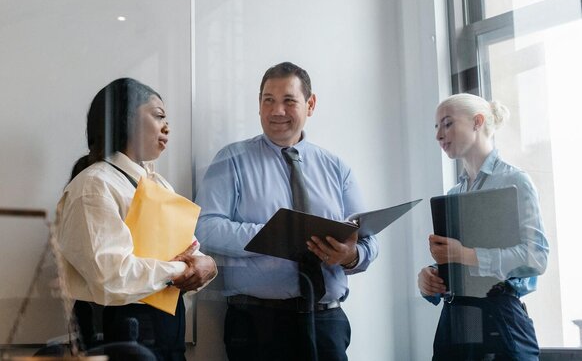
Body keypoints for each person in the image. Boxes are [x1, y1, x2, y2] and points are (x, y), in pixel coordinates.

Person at [195, 62, 378, 361]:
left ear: (311, 104)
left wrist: (351, 256)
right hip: (257, 323)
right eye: (268, 100)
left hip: (327, 323)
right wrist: (276, 234)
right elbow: (205, 228)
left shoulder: (336, 168)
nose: (276, 111)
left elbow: (367, 237)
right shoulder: (231, 160)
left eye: (288, 101)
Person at [54, 77, 217, 361]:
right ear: (126, 118)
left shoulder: (159, 185)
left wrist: (207, 265)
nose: (167, 127)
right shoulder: (94, 185)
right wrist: (180, 270)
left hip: (168, 331)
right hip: (120, 336)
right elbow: (110, 276)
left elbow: (189, 252)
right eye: (158, 116)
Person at [418, 93, 549, 360]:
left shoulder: (515, 181)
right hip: (455, 322)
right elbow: (456, 264)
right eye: (436, 127)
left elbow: (537, 257)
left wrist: (464, 254)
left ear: (477, 122)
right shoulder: (454, 193)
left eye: (447, 123)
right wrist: (431, 277)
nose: (439, 135)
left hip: (500, 320)